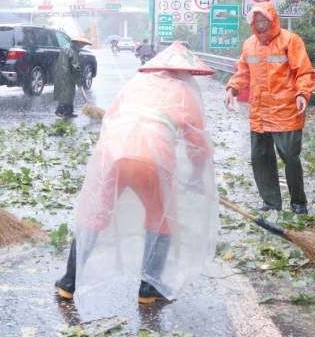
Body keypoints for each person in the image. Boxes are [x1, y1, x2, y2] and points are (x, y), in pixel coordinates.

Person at [55, 41, 218, 305]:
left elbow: (112, 117)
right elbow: (197, 146)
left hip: (112, 151)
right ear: (187, 71)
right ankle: (148, 288)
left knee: (95, 213)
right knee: (160, 217)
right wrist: (197, 176)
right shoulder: (185, 92)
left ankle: (68, 282)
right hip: (152, 157)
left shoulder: (137, 83)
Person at [224, 2, 315, 214]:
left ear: (272, 19)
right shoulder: (249, 45)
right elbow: (243, 72)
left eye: (264, 19)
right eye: (257, 20)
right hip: (259, 112)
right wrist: (232, 89)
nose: (260, 23)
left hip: (285, 110)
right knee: (260, 158)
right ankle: (271, 202)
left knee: (290, 157)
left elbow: (304, 71)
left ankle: (298, 202)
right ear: (252, 23)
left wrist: (303, 93)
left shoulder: (290, 40)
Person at [54, 35, 91, 118]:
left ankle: (65, 112)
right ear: (78, 42)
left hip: (62, 73)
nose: (83, 46)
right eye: (83, 44)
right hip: (67, 75)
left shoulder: (67, 48)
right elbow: (75, 67)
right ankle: (63, 112)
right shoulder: (72, 51)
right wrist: (79, 79)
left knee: (66, 94)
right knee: (68, 95)